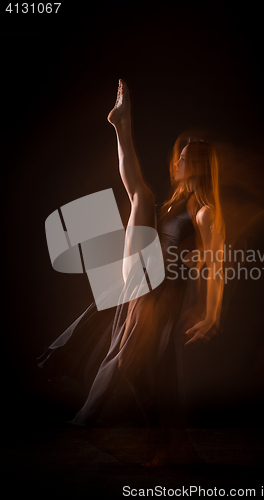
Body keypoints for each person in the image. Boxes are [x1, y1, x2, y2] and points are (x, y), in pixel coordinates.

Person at [38, 79, 225, 466]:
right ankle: (119, 124)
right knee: (141, 194)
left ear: (200, 166)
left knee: (129, 361)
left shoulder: (204, 212)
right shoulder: (175, 204)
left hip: (162, 289)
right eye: (180, 156)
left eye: (186, 158)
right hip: (144, 275)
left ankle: (103, 424)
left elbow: (216, 265)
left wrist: (211, 313)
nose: (178, 162)